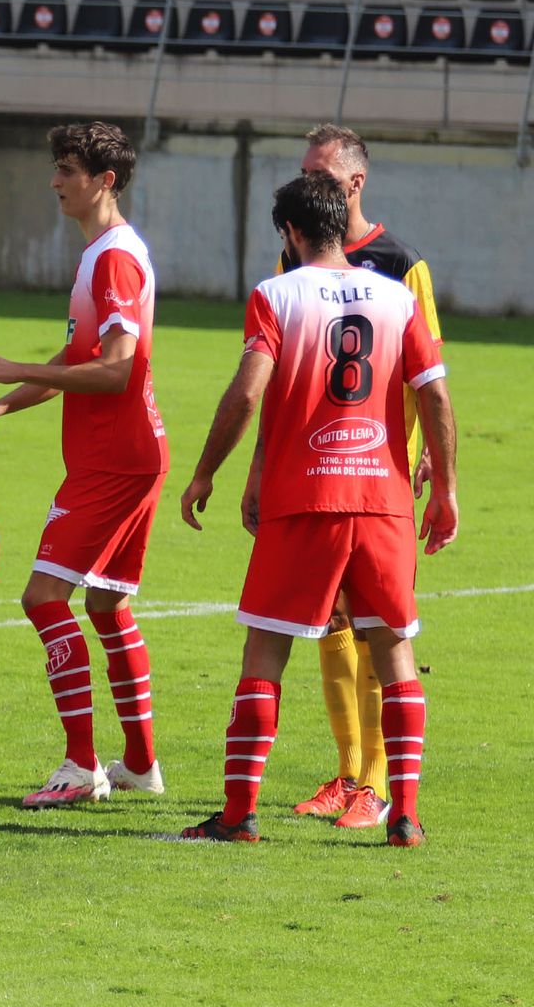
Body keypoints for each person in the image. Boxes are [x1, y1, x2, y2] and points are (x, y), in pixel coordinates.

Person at [177, 170, 456, 847]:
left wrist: (206, 471)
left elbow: (248, 393)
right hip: (383, 501)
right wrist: (446, 489)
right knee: (394, 650)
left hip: (304, 498)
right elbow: (435, 394)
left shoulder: (276, 294)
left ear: (291, 232)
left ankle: (239, 815)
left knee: (265, 650)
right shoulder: (396, 298)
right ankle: (404, 815)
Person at [0, 121, 168, 809]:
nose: (54, 181)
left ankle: (82, 767)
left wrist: (14, 368)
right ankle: (138, 763)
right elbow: (80, 360)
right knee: (106, 604)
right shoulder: (104, 254)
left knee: (43, 598)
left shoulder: (114, 259)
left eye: (68, 170)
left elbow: (114, 371)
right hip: (128, 453)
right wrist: (0, 408)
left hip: (113, 459)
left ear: (105, 181)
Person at [275, 123, 446, 831]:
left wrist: (426, 454)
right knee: (330, 619)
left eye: (321, 173)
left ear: (356, 181)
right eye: (304, 171)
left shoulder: (403, 263)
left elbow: (429, 369)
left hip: (381, 478)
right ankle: (348, 771)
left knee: (378, 627)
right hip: (317, 473)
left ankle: (376, 784)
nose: (310, 183)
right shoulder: (295, 256)